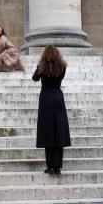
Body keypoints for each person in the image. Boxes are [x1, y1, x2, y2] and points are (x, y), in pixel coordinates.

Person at [32, 45, 71, 175]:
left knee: (47, 132)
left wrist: (39, 67)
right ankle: (58, 166)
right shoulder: (62, 66)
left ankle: (50, 166)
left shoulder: (42, 66)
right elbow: (61, 77)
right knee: (59, 131)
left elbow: (35, 78)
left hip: (46, 99)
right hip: (58, 97)